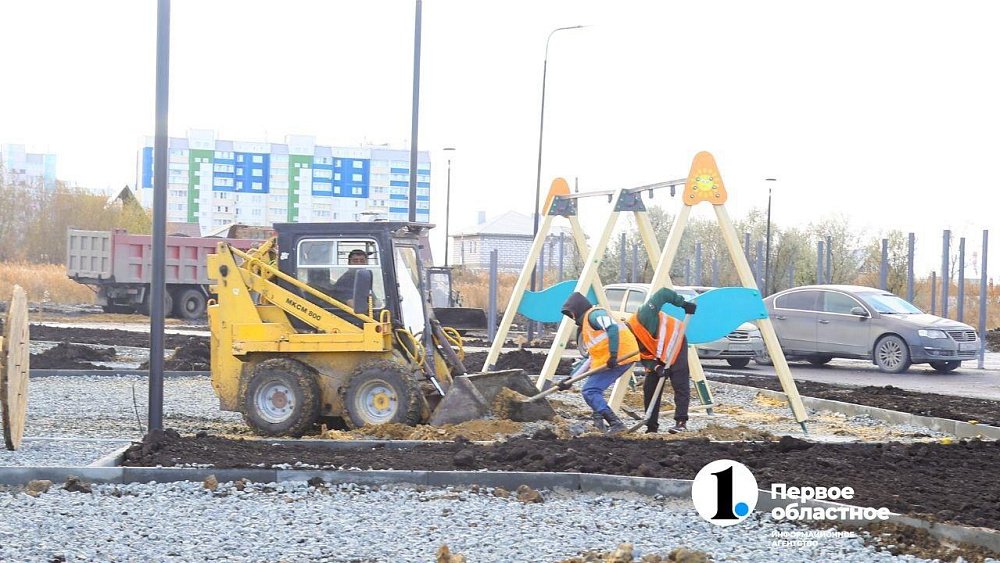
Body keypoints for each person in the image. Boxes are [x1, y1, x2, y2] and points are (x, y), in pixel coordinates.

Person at [559, 291, 640, 434]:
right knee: (592, 390)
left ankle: (616, 424)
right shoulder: (587, 327)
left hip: (621, 356)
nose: (571, 318)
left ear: (577, 309)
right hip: (610, 359)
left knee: (590, 390)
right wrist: (570, 379)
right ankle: (599, 422)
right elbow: (590, 358)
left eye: (571, 314)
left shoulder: (594, 315)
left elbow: (612, 328)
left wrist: (613, 355)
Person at [625, 288, 697, 433]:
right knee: (650, 386)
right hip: (658, 352)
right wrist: (658, 368)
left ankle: (681, 422)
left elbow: (663, 293)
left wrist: (683, 304)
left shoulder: (644, 315)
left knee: (679, 381)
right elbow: (644, 357)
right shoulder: (629, 344)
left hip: (675, 340)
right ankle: (651, 427)